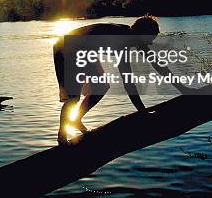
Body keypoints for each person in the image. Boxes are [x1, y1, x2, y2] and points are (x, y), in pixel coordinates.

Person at [53, 15, 191, 145]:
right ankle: (62, 136)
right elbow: (128, 82)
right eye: (151, 38)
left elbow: (158, 64)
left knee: (102, 86)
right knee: (73, 98)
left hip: (83, 49)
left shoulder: (133, 36)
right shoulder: (123, 41)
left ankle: (76, 120)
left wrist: (183, 88)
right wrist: (142, 112)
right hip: (66, 47)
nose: (152, 42)